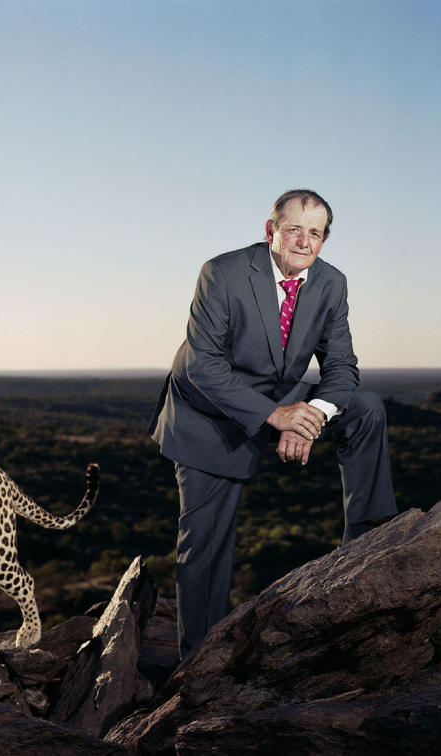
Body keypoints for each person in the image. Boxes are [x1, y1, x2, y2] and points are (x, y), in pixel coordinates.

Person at [148, 189, 396, 658]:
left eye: (316, 233)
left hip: (279, 398)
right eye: (294, 229)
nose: (304, 241)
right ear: (271, 231)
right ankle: (196, 665)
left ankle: (365, 550)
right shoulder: (221, 273)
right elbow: (203, 368)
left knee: (366, 409)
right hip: (209, 410)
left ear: (324, 241)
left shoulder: (331, 283)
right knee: (206, 547)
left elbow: (342, 367)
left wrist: (312, 417)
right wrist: (277, 416)